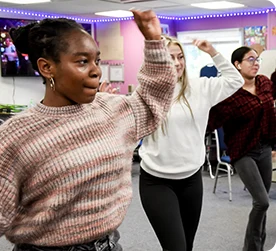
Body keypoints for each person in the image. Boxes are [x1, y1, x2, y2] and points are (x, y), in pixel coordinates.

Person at [0, 10, 178, 251]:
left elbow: (153, 99)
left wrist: (154, 41)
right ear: (47, 67)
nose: (96, 70)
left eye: (97, 60)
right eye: (82, 61)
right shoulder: (15, 135)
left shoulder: (112, 111)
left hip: (108, 245)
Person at [138, 35, 244, 251]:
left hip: (191, 179)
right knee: (175, 247)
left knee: (187, 245)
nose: (177, 63)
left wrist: (212, 51)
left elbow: (236, 80)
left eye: (180, 57)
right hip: (156, 181)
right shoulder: (146, 94)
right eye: (170, 58)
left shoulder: (200, 88)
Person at [208, 46, 276, 251]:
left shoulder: (264, 82)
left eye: (257, 60)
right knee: (262, 202)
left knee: (260, 205)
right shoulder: (229, 93)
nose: (256, 63)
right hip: (243, 152)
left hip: (264, 148)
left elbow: (271, 115)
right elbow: (210, 121)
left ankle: (257, 246)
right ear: (237, 65)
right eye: (250, 59)